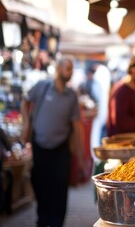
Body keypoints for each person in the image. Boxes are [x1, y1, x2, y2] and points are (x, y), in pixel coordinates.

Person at [20, 57, 85, 227]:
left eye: (72, 69)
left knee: (59, 186)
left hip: (61, 148)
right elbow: (25, 101)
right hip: (40, 146)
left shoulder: (71, 96)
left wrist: (81, 155)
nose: (70, 72)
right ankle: (43, 218)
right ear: (58, 69)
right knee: (40, 183)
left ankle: (56, 222)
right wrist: (26, 122)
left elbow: (77, 125)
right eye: (67, 68)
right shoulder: (42, 87)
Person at [107, 56, 135, 136]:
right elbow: (121, 122)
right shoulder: (122, 91)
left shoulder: (134, 90)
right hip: (122, 144)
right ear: (134, 71)